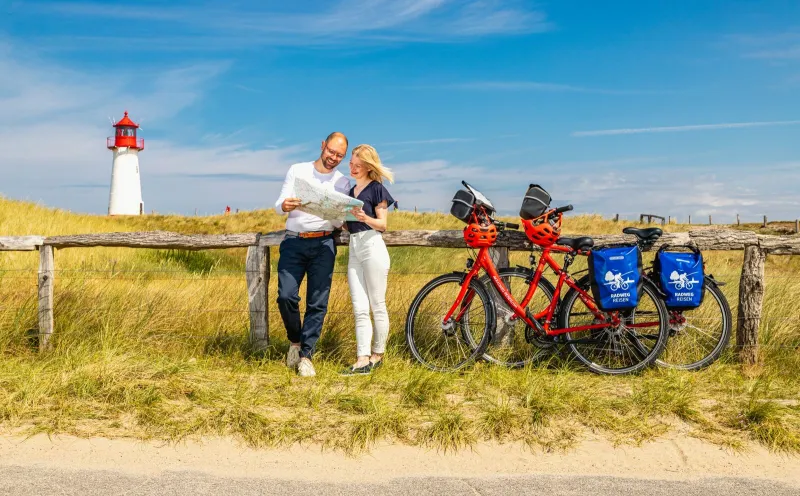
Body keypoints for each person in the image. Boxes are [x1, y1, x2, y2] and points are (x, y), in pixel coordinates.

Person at [274, 132, 351, 377]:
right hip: (294, 241)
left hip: (324, 244)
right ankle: (295, 342)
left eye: (339, 155)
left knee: (317, 302)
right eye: (331, 151)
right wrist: (284, 206)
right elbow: (279, 205)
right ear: (322, 146)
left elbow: (341, 219)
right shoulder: (297, 170)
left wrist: (335, 215)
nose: (333, 158)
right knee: (286, 296)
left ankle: (307, 356)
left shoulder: (343, 182)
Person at [339, 145, 395, 376]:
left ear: (368, 165)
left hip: (372, 245)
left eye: (357, 164)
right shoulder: (350, 192)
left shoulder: (376, 189)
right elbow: (349, 224)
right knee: (359, 306)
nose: (353, 167)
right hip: (354, 246)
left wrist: (364, 217)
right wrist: (342, 218)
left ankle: (377, 355)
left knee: (377, 304)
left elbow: (382, 225)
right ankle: (362, 358)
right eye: (351, 163)